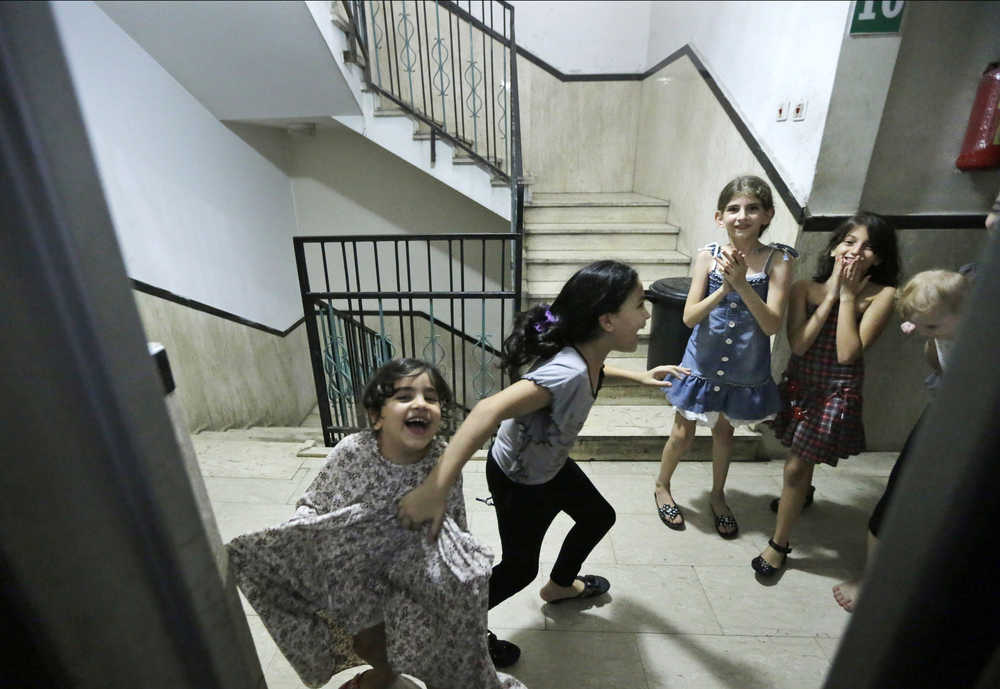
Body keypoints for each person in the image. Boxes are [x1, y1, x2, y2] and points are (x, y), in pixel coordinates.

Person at [395, 260, 689, 665]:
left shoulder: (587, 352)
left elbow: (596, 367)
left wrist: (640, 378)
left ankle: (560, 587)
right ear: (606, 320)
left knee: (598, 516)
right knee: (518, 569)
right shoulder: (565, 373)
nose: (647, 315)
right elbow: (485, 411)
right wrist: (435, 488)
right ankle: (460, 628)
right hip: (519, 478)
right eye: (640, 305)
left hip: (548, 465)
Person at [226, 358, 527, 689]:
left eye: (431, 397)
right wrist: (304, 533)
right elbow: (315, 502)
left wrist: (457, 567)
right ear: (376, 416)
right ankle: (382, 675)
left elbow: (452, 521)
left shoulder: (442, 461)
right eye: (404, 396)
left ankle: (393, 675)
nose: (420, 404)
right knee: (368, 643)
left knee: (422, 643)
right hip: (358, 578)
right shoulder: (352, 452)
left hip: (411, 576)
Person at [754, 212, 901, 577]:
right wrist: (832, 293)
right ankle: (802, 494)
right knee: (800, 455)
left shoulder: (884, 296)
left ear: (879, 258)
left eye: (869, 247)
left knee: (795, 466)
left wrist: (848, 297)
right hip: (802, 387)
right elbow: (800, 346)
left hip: (837, 393)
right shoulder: (805, 288)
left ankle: (779, 545)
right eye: (850, 242)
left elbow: (847, 353)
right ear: (835, 247)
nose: (857, 252)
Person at [653, 175, 796, 537]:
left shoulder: (778, 260)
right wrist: (724, 288)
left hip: (746, 366)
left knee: (724, 433)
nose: (741, 216)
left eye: (752, 209)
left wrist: (743, 285)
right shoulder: (707, 256)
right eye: (733, 209)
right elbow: (689, 317)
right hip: (701, 360)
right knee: (682, 432)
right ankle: (661, 485)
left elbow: (772, 325)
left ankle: (718, 496)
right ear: (720, 217)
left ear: (767, 215)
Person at [829, 271, 971, 610]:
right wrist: (924, 331)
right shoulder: (931, 322)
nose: (922, 330)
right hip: (943, 410)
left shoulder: (978, 338)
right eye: (917, 324)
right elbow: (931, 351)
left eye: (931, 327)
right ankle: (871, 577)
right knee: (899, 489)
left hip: (973, 421)